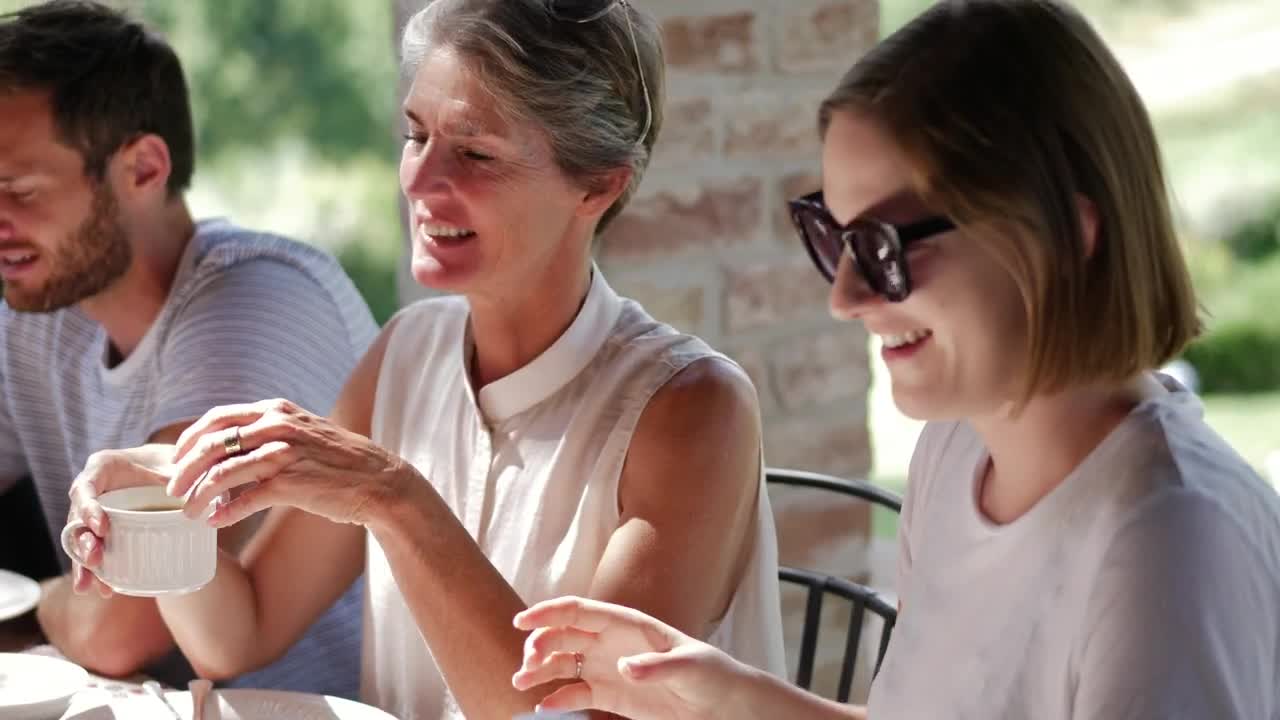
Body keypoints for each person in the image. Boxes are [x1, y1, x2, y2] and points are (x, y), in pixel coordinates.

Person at [510, 1, 1280, 718]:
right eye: (835, 237)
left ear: (1060, 238)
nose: (845, 296)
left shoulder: (1171, 537)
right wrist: (727, 695)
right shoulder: (958, 445)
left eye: (883, 246)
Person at [65, 0, 787, 718]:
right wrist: (164, 508)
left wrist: (395, 498)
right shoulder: (408, 352)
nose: (418, 179)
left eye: (475, 153)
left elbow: (579, 716)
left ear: (596, 184)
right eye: (415, 136)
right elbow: (238, 634)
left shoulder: (691, 408)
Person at [0, 0, 375, 698]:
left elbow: (127, 623)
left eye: (16, 189)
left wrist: (41, 600)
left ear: (143, 168)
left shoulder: (258, 300)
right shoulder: (40, 304)